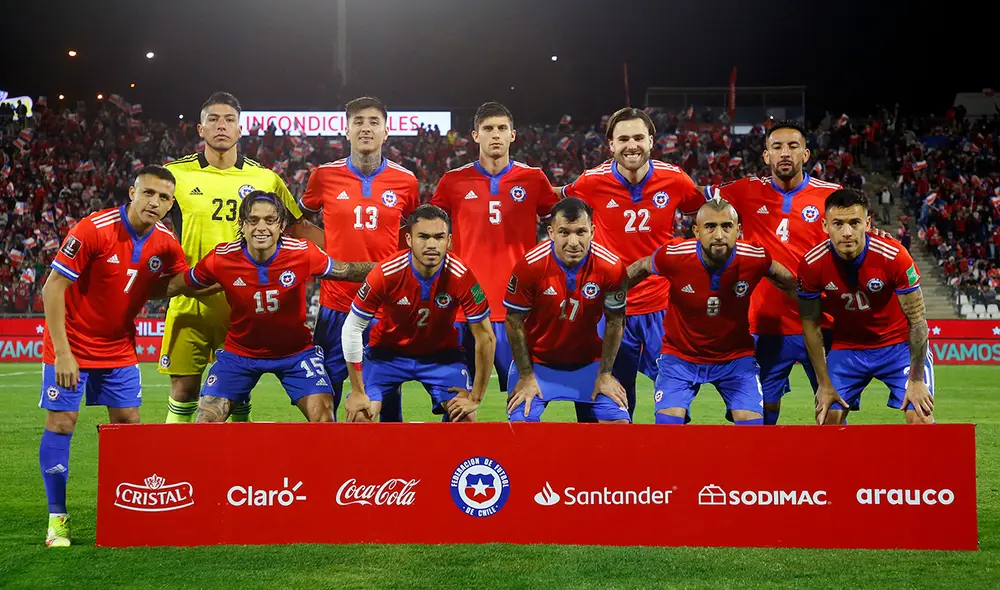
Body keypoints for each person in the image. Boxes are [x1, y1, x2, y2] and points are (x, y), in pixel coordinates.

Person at [38, 166, 189, 547]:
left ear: (171, 204)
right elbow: (52, 288)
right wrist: (64, 354)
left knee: (128, 424)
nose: (154, 202)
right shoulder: (93, 228)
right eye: (148, 193)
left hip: (119, 347)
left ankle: (127, 511)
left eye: (164, 198)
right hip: (71, 343)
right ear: (132, 192)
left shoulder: (167, 242)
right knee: (61, 424)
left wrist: (220, 273)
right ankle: (58, 518)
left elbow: (175, 283)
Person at [161, 91, 322, 424]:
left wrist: (350, 251)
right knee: (183, 390)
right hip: (193, 298)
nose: (222, 126)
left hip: (244, 303)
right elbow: (150, 226)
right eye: (214, 119)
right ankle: (178, 466)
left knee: (238, 392)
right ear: (200, 128)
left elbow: (296, 227)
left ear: (240, 129)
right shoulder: (175, 176)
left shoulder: (265, 179)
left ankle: (240, 470)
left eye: (229, 120)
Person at [169, 192, 375, 423]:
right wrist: (139, 288)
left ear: (282, 225)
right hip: (240, 354)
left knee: (325, 420)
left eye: (269, 220)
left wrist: (395, 267)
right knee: (205, 420)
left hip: (296, 354)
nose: (261, 227)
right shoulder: (221, 258)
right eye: (253, 220)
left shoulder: (302, 253)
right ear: (242, 225)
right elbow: (179, 284)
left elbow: (347, 270)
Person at [561, 107, 705, 421]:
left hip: (662, 309)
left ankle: (666, 466)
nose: (632, 145)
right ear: (610, 145)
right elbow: (554, 203)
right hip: (609, 309)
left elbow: (705, 210)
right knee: (602, 400)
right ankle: (598, 463)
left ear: (652, 141)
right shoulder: (591, 182)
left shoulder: (674, 179)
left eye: (639, 137)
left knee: (674, 405)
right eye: (623, 138)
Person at [701, 120, 842, 424]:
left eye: (793, 146)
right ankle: (758, 471)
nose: (785, 153)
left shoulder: (832, 196)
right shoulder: (743, 191)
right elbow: (693, 197)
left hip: (821, 322)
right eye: (777, 147)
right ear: (766, 156)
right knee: (761, 414)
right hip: (765, 324)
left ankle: (834, 469)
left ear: (806, 153)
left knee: (832, 407)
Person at [299, 96, 419, 421]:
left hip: (385, 307)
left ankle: (392, 469)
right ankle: (327, 468)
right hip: (335, 305)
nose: (366, 128)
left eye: (373, 122)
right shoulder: (323, 176)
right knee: (327, 399)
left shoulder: (406, 181)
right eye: (359, 122)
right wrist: (327, 254)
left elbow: (414, 232)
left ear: (386, 130)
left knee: (387, 396)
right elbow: (300, 221)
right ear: (347, 130)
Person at [626, 198, 797, 425]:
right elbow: (641, 267)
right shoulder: (675, 254)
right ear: (696, 231)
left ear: (738, 230)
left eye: (726, 226)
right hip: (681, 357)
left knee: (753, 428)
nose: (719, 235)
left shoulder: (754, 256)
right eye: (710, 227)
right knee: (667, 427)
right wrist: (611, 295)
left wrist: (811, 308)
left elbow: (786, 280)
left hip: (735, 359)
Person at [430, 101, 558, 398]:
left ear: (513, 135)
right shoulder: (452, 182)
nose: (495, 135)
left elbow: (561, 227)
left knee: (525, 405)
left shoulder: (534, 179)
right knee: (458, 406)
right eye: (488, 129)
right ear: (475, 136)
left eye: (502, 128)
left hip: (519, 308)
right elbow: (428, 233)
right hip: (466, 309)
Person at [340, 205, 495, 423]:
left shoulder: (462, 276)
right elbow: (352, 328)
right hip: (387, 356)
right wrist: (357, 390)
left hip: (441, 357)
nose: (431, 244)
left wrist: (476, 397)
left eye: (439, 237)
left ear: (448, 240)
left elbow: (486, 337)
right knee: (359, 416)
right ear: (409, 239)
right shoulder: (386, 273)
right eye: (423, 237)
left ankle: (445, 457)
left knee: (466, 416)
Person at [797, 189, 934, 425]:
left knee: (919, 415)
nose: (847, 232)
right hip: (848, 348)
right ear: (824, 225)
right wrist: (824, 383)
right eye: (838, 223)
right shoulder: (811, 264)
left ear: (867, 223)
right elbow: (810, 325)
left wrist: (917, 379)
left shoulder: (894, 256)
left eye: (855, 222)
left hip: (897, 346)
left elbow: (918, 321)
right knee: (827, 417)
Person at [503, 198, 630, 423]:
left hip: (590, 364)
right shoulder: (530, 266)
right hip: (538, 364)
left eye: (581, 232)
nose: (573, 242)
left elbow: (615, 321)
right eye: (564, 232)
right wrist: (526, 375)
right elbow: (514, 321)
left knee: (619, 425)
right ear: (551, 232)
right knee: (521, 428)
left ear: (592, 231)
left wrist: (606, 374)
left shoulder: (611, 267)